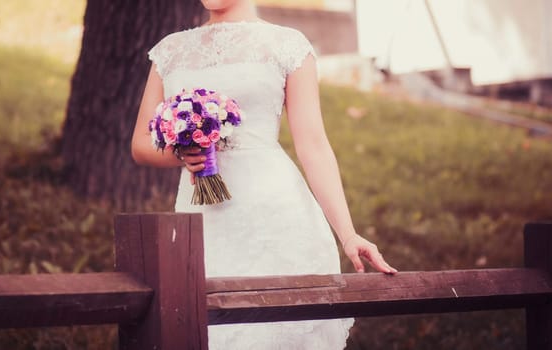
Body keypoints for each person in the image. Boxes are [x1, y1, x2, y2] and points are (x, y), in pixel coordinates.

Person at [131, 0, 397, 348]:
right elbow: (140, 144)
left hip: (275, 218)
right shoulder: (170, 51)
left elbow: (313, 146)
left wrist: (348, 234)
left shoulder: (288, 45)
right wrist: (183, 152)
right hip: (203, 222)